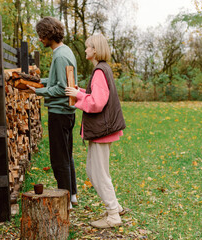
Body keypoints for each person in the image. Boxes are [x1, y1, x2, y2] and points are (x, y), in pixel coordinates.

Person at [65, 34, 126, 228]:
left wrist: (78, 97)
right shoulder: (103, 69)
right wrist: (80, 92)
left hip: (102, 131)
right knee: (94, 172)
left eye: (88, 47)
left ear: (96, 50)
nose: (85, 50)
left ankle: (113, 215)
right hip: (102, 130)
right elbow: (96, 95)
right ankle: (115, 207)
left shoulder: (100, 71)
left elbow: (98, 103)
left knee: (99, 174)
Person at [27, 16, 78, 208]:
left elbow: (63, 88)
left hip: (60, 112)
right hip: (67, 112)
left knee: (58, 158)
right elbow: (58, 81)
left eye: (41, 35)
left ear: (49, 34)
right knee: (66, 154)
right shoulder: (66, 51)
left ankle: (65, 200)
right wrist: (40, 83)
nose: (40, 39)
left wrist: (38, 91)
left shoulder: (60, 56)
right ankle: (72, 195)